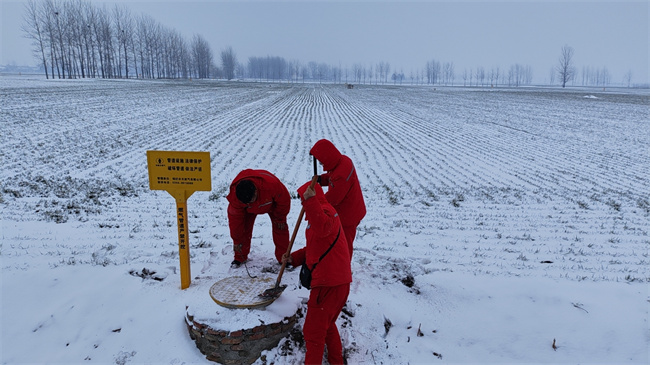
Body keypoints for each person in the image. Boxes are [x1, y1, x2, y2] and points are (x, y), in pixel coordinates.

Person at [283, 181, 351, 365]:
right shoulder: (318, 215)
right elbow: (315, 247)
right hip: (338, 282)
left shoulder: (325, 212)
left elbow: (322, 227)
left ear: (311, 196)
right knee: (327, 326)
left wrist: (310, 201)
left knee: (313, 332)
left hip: (328, 284)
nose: (301, 202)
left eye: (303, 198)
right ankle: (337, 361)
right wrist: (293, 259)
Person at [310, 139, 366, 259]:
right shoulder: (343, 161)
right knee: (340, 242)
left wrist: (312, 201)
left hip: (349, 215)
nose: (321, 164)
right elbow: (332, 176)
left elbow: (332, 199)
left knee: (344, 244)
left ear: (327, 158)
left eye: (321, 161)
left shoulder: (340, 175)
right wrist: (321, 179)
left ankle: (344, 269)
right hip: (352, 208)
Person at [226, 169, 291, 266]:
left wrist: (280, 218)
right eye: (246, 202)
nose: (249, 203)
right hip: (248, 210)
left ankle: (284, 258)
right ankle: (240, 257)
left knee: (280, 228)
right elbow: (235, 223)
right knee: (243, 229)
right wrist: (237, 240)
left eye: (251, 200)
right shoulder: (236, 198)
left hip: (272, 204)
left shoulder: (271, 185)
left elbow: (284, 200)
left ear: (256, 191)